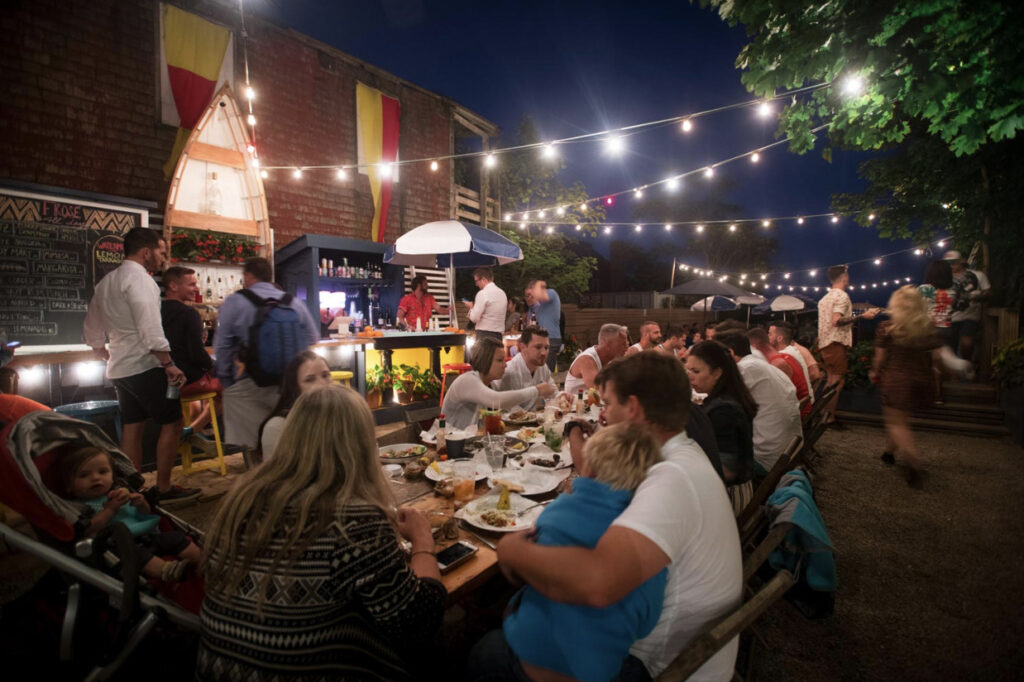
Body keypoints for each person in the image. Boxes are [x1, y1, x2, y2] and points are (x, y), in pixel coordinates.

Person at [499, 352, 741, 681]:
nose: (603, 414)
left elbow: (598, 584)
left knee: (490, 653)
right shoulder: (679, 455)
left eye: (608, 403)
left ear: (634, 408)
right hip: (663, 638)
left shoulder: (672, 477)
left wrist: (512, 551)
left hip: (661, 665)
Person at [198, 385, 447, 680]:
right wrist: (422, 539)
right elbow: (419, 623)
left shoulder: (242, 500)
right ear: (362, 446)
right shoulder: (354, 522)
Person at [472, 423, 666, 682]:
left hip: (531, 666)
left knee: (484, 650)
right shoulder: (649, 543)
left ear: (588, 468)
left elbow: (523, 575)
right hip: (599, 672)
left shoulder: (555, 513)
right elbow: (646, 625)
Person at [83, 227, 199, 501]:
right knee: (172, 423)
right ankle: (164, 488)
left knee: (132, 427)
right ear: (147, 252)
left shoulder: (107, 282)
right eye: (161, 252)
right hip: (144, 365)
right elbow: (150, 327)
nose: (162, 258)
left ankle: (132, 489)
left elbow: (92, 322)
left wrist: (98, 346)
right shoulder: (141, 281)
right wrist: (168, 363)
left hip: (119, 368)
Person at [213, 257, 319, 449]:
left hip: (251, 382)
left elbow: (222, 346)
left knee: (251, 437)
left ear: (247, 276)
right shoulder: (293, 302)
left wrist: (227, 382)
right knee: (289, 434)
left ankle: (257, 459)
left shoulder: (235, 301)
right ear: (270, 276)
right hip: (290, 383)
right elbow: (312, 338)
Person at [59, 445, 200, 582]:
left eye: (102, 472)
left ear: (113, 476)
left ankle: (202, 561)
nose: (95, 478)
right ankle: (166, 570)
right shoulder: (79, 506)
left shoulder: (120, 491)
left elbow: (144, 513)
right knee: (137, 555)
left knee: (174, 537)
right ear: (69, 485)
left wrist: (141, 503)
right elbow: (89, 529)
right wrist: (110, 509)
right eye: (84, 475)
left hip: (147, 536)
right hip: (119, 547)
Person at [870, 286, 943, 487]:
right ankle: (889, 452)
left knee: (896, 423)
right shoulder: (928, 328)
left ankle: (914, 463)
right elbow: (937, 359)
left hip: (896, 380)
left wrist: (875, 372)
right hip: (921, 379)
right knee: (900, 420)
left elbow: (879, 358)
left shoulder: (888, 327)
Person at [715, 331, 802, 476]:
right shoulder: (760, 364)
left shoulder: (745, 369)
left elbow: (721, 405)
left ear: (730, 353)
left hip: (765, 460)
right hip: (789, 453)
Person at [685, 341, 758, 513]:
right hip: (727, 488)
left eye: (696, 371)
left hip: (728, 497)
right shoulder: (725, 399)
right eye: (688, 370)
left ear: (717, 373)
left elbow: (727, 470)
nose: (690, 377)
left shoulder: (724, 410)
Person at [442, 336, 555, 430]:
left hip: (471, 443)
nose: (505, 365)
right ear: (485, 360)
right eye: (500, 360)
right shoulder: (467, 380)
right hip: (449, 444)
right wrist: (537, 390)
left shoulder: (489, 384)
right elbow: (496, 400)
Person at [161, 266, 220, 433]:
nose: (196, 289)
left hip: (161, 380)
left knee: (198, 399)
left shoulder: (155, 310)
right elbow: (196, 354)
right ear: (173, 286)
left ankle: (188, 431)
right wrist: (213, 365)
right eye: (191, 284)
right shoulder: (189, 313)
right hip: (185, 380)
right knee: (226, 388)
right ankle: (191, 432)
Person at [817, 265, 878, 427]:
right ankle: (829, 417)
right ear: (844, 278)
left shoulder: (824, 298)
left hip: (825, 344)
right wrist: (862, 316)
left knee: (830, 380)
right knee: (837, 381)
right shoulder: (842, 296)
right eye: (847, 276)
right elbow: (837, 320)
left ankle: (823, 413)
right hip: (836, 342)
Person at [257, 350, 332, 462]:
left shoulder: (340, 416)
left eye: (325, 375)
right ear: (295, 388)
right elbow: (275, 472)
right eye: (310, 380)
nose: (322, 384)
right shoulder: (278, 427)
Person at [747, 328, 811, 418]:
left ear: (754, 347)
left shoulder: (777, 364)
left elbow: (769, 398)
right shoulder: (786, 356)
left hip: (798, 415)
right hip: (796, 410)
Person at [495, 326, 557, 410]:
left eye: (546, 348)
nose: (544, 353)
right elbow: (507, 407)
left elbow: (552, 390)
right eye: (538, 347)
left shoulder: (542, 367)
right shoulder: (509, 371)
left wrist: (562, 396)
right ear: (523, 347)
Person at [946, 250, 991, 365]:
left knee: (966, 343)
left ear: (962, 261)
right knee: (950, 348)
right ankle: (955, 372)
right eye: (948, 263)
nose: (951, 266)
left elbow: (988, 293)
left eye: (953, 262)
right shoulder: (945, 278)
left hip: (970, 317)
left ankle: (967, 365)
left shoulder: (977, 275)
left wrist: (977, 295)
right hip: (949, 318)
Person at [563, 323, 629, 396]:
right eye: (622, 344)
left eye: (627, 343)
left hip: (591, 402)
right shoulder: (587, 360)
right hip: (576, 402)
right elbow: (599, 391)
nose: (627, 347)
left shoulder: (611, 360)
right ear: (608, 345)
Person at [918, 260, 958, 346]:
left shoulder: (923, 289)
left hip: (928, 328)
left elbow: (917, 307)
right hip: (947, 328)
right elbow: (954, 306)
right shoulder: (953, 290)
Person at [524, 279, 562, 371]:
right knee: (536, 372)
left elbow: (540, 295)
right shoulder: (533, 308)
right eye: (526, 296)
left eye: (530, 294)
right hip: (540, 341)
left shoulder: (551, 293)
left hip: (551, 340)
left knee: (545, 373)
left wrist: (539, 284)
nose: (529, 298)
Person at [769, 320, 820, 385]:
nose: (767, 337)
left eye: (770, 334)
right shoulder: (787, 350)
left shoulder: (799, 350)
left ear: (779, 338)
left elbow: (815, 374)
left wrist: (800, 385)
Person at [466, 267, 508, 342]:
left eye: (476, 281)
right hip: (499, 335)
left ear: (483, 280)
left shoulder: (482, 293)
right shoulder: (502, 293)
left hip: (484, 334)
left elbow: (474, 318)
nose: (476, 284)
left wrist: (471, 307)